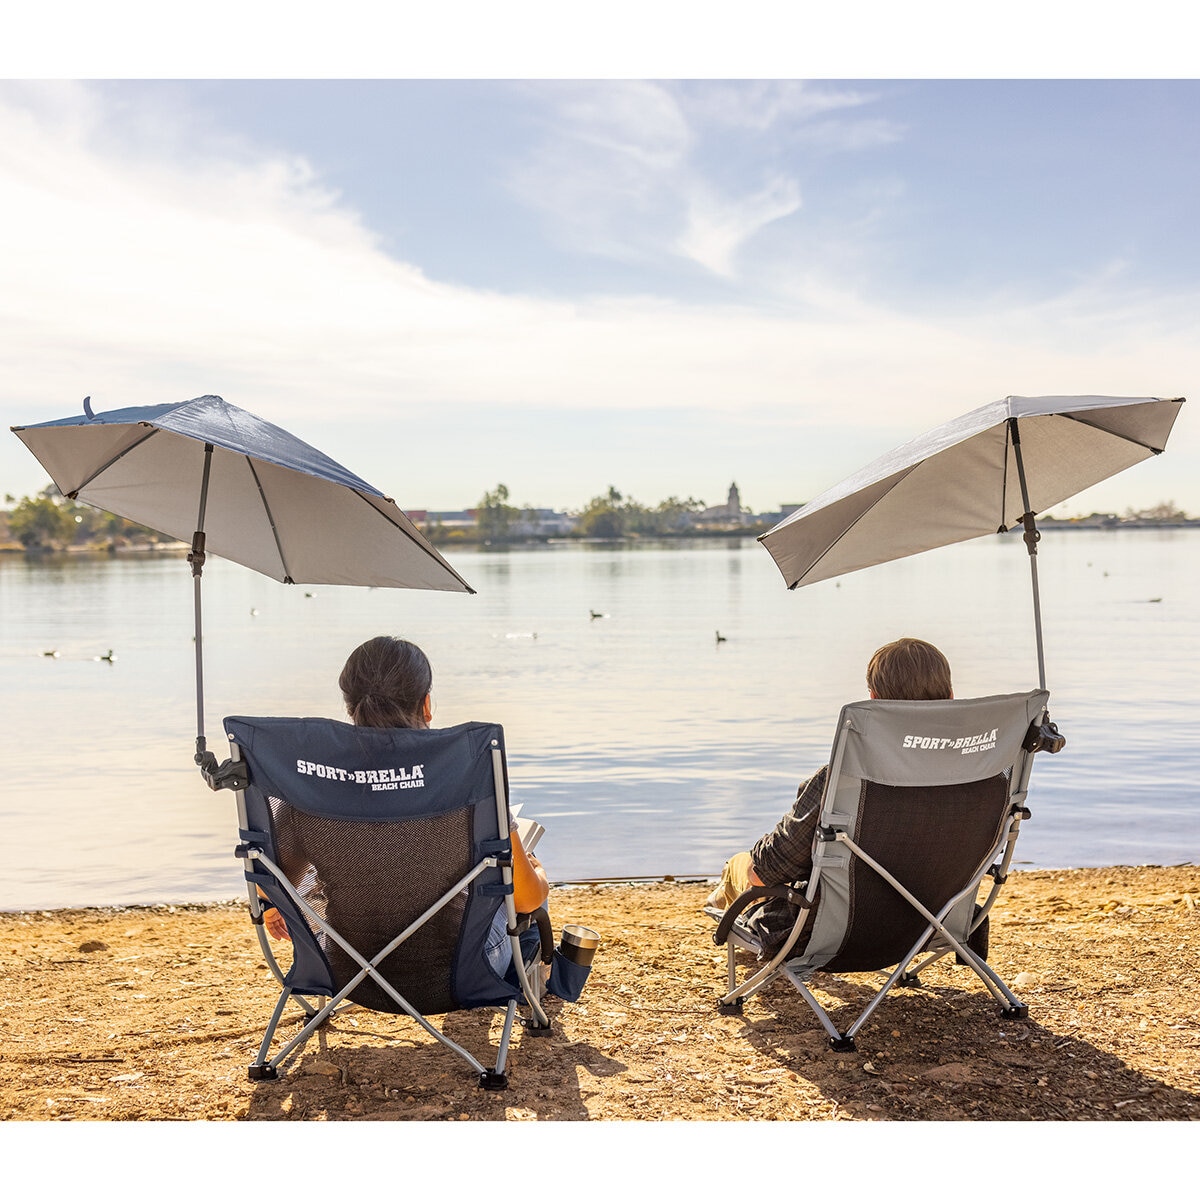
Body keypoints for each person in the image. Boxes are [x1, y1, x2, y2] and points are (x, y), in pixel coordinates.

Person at [261, 636, 550, 977]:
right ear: (426, 704)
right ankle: (532, 985)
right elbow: (526, 901)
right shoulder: (465, 773)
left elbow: (272, 877)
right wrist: (540, 878)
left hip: (346, 969)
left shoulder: (311, 781)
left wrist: (272, 905)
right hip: (457, 975)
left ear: (351, 707)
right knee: (523, 876)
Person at [705, 637, 954, 957]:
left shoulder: (841, 781)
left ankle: (722, 894)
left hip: (837, 932)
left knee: (741, 866)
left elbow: (764, 872)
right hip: (934, 922)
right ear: (950, 697)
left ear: (874, 701)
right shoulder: (982, 777)